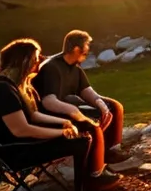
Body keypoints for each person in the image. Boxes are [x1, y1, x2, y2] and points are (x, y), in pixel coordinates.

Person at [0, 39, 118, 191]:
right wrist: (62, 133)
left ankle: (95, 173)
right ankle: (86, 187)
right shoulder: (2, 91)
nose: (39, 63)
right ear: (24, 62)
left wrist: (66, 123)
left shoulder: (13, 85)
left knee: (84, 126)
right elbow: (21, 130)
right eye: (35, 59)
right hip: (16, 151)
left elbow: (34, 116)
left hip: (21, 142)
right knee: (82, 140)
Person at [33, 30, 128, 171]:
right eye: (86, 48)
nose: (88, 51)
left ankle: (111, 151)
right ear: (77, 49)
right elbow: (48, 102)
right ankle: (95, 166)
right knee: (91, 119)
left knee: (114, 107)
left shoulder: (74, 67)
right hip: (52, 115)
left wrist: (101, 103)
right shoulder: (51, 67)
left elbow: (85, 90)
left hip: (66, 107)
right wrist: (75, 111)